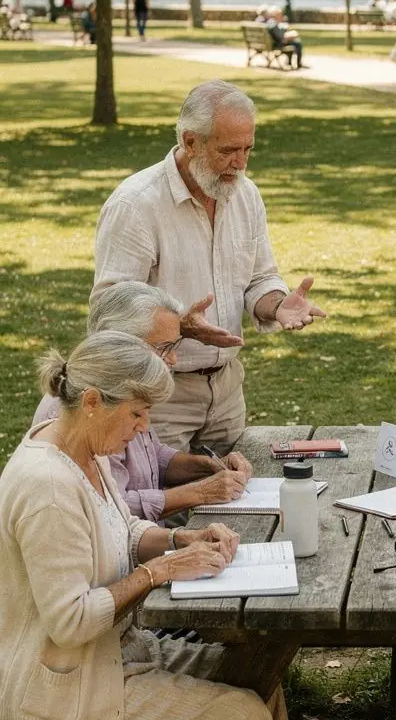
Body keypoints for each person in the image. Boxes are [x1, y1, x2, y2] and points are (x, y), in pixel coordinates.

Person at [0, 333, 297, 720]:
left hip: (109, 658)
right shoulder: (46, 486)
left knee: (254, 681)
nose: (142, 432)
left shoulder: (82, 455)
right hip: (57, 688)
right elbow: (71, 621)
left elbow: (124, 529)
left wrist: (177, 542)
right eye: (137, 414)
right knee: (234, 719)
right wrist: (157, 575)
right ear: (90, 400)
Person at [93, 80, 326, 451]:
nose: (241, 163)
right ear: (190, 142)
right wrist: (180, 327)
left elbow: (260, 278)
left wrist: (278, 304)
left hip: (227, 388)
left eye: (248, 148)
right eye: (228, 150)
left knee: (235, 500)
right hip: (158, 393)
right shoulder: (136, 206)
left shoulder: (244, 193)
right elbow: (108, 314)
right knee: (162, 505)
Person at [31, 283, 252, 519]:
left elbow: (153, 457)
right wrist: (202, 492)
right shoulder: (91, 404)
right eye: (163, 347)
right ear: (122, 341)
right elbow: (114, 509)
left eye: (175, 345)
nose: (173, 359)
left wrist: (208, 466)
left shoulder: (126, 387)